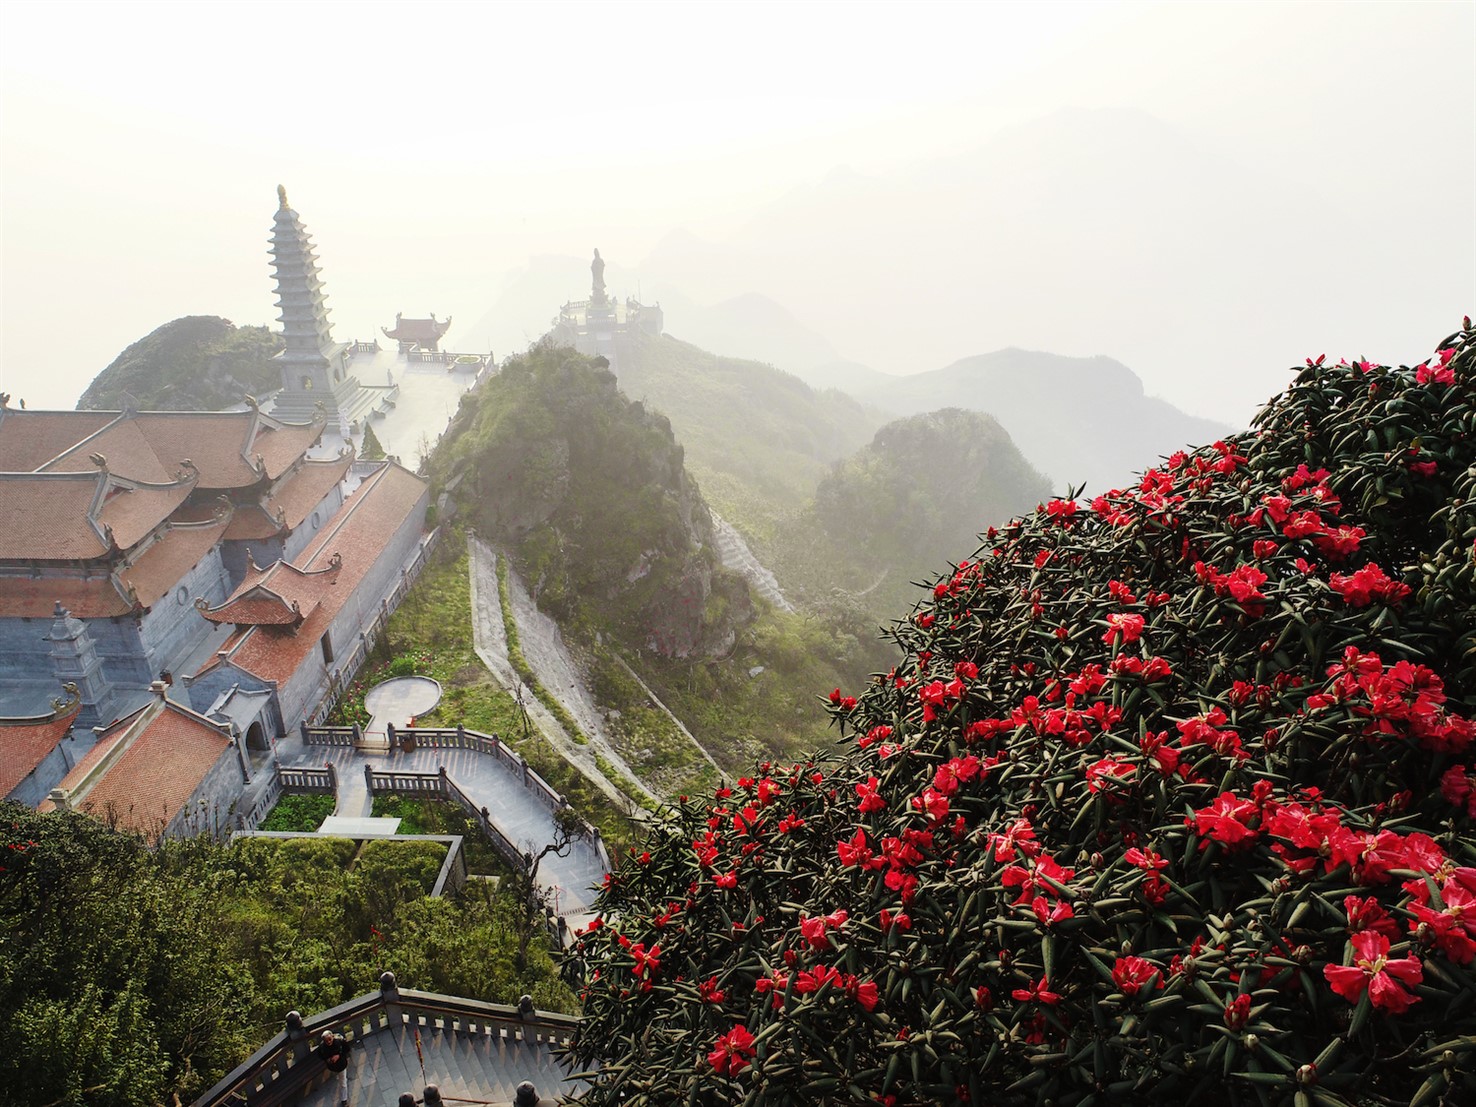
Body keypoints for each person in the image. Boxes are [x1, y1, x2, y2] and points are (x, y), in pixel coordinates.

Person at [317, 1028, 350, 1105]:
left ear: (332, 1036)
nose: (329, 1042)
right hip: (332, 1066)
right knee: (342, 1080)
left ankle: (344, 1100)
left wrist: (338, 1055)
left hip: (341, 1065)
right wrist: (327, 1060)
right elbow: (320, 1056)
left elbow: (347, 1049)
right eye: (326, 1041)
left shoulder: (339, 1041)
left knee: (343, 1083)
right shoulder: (322, 1048)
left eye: (330, 1039)